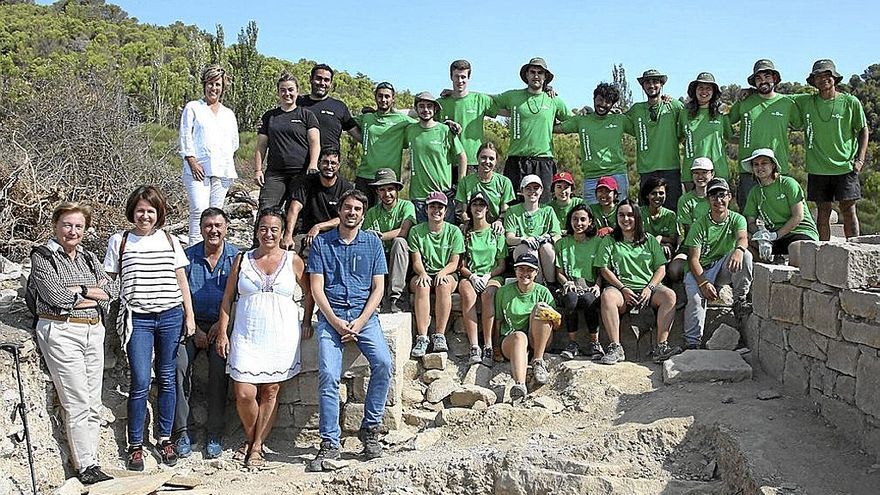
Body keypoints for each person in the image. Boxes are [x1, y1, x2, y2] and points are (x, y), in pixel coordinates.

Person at [104, 186, 196, 471]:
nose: (145, 216)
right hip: (138, 319)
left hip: (170, 315)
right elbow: (109, 280)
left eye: (151, 211)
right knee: (141, 380)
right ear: (133, 211)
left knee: (168, 379)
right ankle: (135, 445)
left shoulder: (170, 240)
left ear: (159, 214)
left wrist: (189, 316)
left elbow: (181, 280)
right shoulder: (120, 240)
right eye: (141, 210)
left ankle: (165, 438)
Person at [214, 208, 313, 467]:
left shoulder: (293, 260)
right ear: (257, 231)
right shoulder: (242, 259)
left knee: (270, 391)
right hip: (247, 333)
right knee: (244, 393)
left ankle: (256, 446)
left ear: (282, 233)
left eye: (274, 229)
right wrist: (223, 332)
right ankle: (251, 436)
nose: (269, 234)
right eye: (264, 228)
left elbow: (310, 292)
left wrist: (305, 321)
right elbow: (227, 298)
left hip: (281, 333)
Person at [307, 189, 393, 470]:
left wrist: (359, 321)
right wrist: (334, 321)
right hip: (331, 317)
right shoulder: (322, 244)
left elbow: (378, 288)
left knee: (383, 363)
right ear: (339, 211)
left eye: (357, 209)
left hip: (363, 316)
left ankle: (370, 429)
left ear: (363, 214)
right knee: (329, 375)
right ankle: (330, 442)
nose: (351, 212)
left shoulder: (372, 243)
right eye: (347, 208)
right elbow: (316, 287)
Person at [31, 203, 117, 484]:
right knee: (77, 400)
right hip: (61, 330)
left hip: (93, 330)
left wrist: (79, 290)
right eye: (67, 225)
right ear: (56, 225)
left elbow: (112, 290)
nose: (73, 231)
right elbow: (55, 296)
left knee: (93, 401)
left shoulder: (89, 257)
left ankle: (92, 460)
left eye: (79, 226)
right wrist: (94, 294)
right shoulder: (43, 256)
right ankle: (86, 466)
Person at [173, 208, 238, 460]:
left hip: (222, 325)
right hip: (190, 324)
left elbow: (236, 297)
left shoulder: (236, 258)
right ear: (200, 229)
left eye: (218, 225)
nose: (214, 230)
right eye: (208, 225)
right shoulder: (187, 258)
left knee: (219, 371)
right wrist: (196, 329)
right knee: (178, 368)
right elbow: (178, 297)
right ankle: (183, 432)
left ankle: (214, 433)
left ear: (226, 228)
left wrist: (219, 328)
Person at [595, 199, 681, 365]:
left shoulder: (648, 240)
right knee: (607, 297)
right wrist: (623, 288)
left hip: (648, 288)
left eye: (630, 215)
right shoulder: (609, 240)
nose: (625, 219)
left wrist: (650, 287)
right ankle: (615, 347)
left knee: (669, 296)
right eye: (621, 215)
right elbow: (603, 268)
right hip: (621, 288)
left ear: (637, 217)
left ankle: (661, 347)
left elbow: (661, 267)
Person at [794, 59, 869, 240]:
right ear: (814, 81)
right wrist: (751, 92)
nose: (823, 79)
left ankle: (855, 249)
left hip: (845, 166)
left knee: (849, 210)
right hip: (818, 168)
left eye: (827, 75)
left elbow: (863, 130)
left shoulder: (850, 102)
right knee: (823, 212)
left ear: (834, 78)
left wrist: (860, 159)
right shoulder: (807, 102)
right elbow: (776, 97)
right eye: (818, 76)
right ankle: (823, 252)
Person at [683, 178, 752, 349]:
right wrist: (703, 282)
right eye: (713, 195)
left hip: (722, 267)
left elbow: (743, 238)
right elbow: (693, 259)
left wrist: (738, 250)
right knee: (696, 299)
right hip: (700, 269)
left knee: (746, 256)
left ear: (730, 197)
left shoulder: (737, 219)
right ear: (708, 199)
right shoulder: (699, 225)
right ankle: (692, 343)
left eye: (722, 195)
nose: (718, 200)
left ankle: (740, 299)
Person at [493, 57, 571, 202]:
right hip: (517, 161)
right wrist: (455, 93)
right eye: (532, 72)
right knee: (513, 204)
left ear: (545, 77)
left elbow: (574, 122)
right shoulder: (513, 96)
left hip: (543, 161)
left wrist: (550, 128)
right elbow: (485, 100)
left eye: (540, 73)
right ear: (527, 75)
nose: (536, 75)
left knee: (544, 205)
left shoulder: (554, 100)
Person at [179, 64, 239, 244]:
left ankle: (213, 253)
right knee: (199, 209)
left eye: (218, 84)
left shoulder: (228, 114)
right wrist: (191, 160)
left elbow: (234, 142)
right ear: (205, 84)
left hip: (222, 171)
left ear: (223, 87)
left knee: (215, 215)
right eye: (211, 83)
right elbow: (185, 135)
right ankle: (194, 251)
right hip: (198, 169)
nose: (214, 88)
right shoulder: (193, 108)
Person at [728, 60, 801, 209]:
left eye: (767, 77)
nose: (763, 81)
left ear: (774, 78)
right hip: (749, 168)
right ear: (754, 82)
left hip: (777, 168)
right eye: (758, 78)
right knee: (748, 214)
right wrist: (738, 139)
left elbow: (800, 124)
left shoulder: (786, 103)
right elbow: (725, 123)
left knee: (779, 214)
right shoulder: (745, 101)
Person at [554, 82, 633, 204]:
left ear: (612, 104)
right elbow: (555, 128)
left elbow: (642, 128)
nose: (602, 104)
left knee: (619, 215)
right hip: (591, 177)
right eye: (600, 100)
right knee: (591, 217)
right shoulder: (582, 120)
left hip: (616, 175)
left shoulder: (620, 119)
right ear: (594, 99)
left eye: (608, 102)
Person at [408, 191, 465, 357]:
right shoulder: (416, 231)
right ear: (426, 209)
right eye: (432, 206)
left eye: (440, 207)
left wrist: (442, 272)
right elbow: (416, 260)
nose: (436, 210)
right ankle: (422, 337)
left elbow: (455, 263)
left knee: (443, 283)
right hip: (423, 272)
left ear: (446, 210)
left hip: (446, 273)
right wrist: (423, 273)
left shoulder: (454, 232)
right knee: (422, 284)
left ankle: (439, 335)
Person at [495, 253, 558, 400]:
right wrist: (495, 346)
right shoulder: (503, 292)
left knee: (541, 308)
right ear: (515, 271)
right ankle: (520, 385)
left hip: (538, 339)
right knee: (519, 336)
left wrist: (551, 316)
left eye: (529, 270)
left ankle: (538, 360)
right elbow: (497, 321)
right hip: (512, 341)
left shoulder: (543, 292)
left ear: (536, 272)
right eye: (521, 269)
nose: (525, 273)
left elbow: (556, 325)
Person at [254, 73, 321, 210]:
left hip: (300, 174)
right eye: (283, 90)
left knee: (296, 215)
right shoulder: (269, 116)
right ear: (278, 92)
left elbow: (315, 142)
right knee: (266, 211)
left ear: (297, 91)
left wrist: (313, 164)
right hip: (275, 174)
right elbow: (261, 146)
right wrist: (258, 170)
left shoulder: (307, 115)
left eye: (290, 89)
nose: (287, 93)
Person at [458, 192, 507, 366]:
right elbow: (461, 265)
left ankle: (488, 345)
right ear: (470, 208)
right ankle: (474, 346)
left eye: (482, 205)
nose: (478, 208)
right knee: (468, 295)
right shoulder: (465, 232)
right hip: (470, 276)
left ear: (487, 208)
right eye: (475, 205)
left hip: (492, 275)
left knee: (488, 295)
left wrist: (488, 275)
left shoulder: (496, 232)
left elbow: (501, 264)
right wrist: (472, 276)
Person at [741, 149, 819, 260]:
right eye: (756, 164)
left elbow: (798, 216)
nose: (760, 167)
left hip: (799, 232)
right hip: (772, 237)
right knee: (741, 241)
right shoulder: (755, 192)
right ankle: (768, 267)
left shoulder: (788, 183)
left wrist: (776, 235)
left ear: (773, 165)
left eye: (764, 163)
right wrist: (762, 237)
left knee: (795, 249)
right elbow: (750, 221)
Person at [626, 69, 685, 209]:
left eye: (655, 81)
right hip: (647, 169)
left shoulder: (674, 105)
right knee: (646, 210)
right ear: (642, 86)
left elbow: (689, 121)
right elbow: (619, 121)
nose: (651, 85)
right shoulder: (636, 109)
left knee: (672, 209)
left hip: (670, 167)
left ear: (661, 84)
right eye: (647, 82)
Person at [405, 91, 467, 223]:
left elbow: (462, 156)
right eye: (421, 106)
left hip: (443, 195)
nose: (425, 110)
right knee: (422, 239)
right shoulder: (410, 130)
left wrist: (459, 186)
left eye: (429, 106)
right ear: (416, 109)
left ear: (435, 109)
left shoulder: (445, 130)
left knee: (445, 238)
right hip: (419, 197)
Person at [362, 168, 417, 313]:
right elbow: (365, 236)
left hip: (402, 258)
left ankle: (397, 297)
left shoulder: (407, 206)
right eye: (382, 189)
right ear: (377, 192)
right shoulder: (372, 212)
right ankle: (372, 295)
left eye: (390, 189)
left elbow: (404, 231)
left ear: (397, 189)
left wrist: (379, 236)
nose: (387, 194)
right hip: (379, 257)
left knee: (399, 242)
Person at [554, 204, 604, 361]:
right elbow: (559, 273)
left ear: (590, 221)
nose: (579, 223)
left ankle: (594, 343)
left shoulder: (597, 242)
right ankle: (572, 343)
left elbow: (601, 270)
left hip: (589, 285)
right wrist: (566, 283)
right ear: (570, 221)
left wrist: (597, 285)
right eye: (575, 219)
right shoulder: (562, 243)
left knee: (590, 300)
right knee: (571, 299)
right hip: (571, 285)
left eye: (583, 219)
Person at [352, 82, 415, 205]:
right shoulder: (367, 117)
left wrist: (447, 124)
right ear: (375, 97)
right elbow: (346, 123)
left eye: (387, 96)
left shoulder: (401, 120)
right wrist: (363, 139)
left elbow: (424, 125)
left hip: (388, 179)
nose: (383, 99)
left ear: (393, 99)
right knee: (360, 217)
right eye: (380, 96)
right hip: (364, 176)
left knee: (385, 219)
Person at [282, 147, 354, 254]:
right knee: (287, 253)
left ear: (338, 166)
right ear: (319, 163)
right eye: (325, 162)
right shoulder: (306, 182)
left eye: (333, 163)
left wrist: (319, 227)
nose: (329, 166)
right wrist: (288, 235)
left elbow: (344, 218)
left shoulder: (346, 188)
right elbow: (294, 208)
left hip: (334, 234)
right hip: (306, 233)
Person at [437, 59, 498, 175]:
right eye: (457, 77)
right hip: (446, 163)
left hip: (473, 163)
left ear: (468, 77)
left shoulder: (480, 100)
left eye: (463, 77)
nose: (460, 80)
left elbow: (507, 110)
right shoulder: (441, 103)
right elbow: (418, 112)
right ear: (451, 77)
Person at [504, 175, 561, 284]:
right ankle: (536, 284)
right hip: (522, 249)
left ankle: (551, 285)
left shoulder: (548, 210)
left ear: (541, 190)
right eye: (528, 188)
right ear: (522, 191)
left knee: (547, 248)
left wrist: (548, 238)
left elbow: (557, 235)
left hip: (543, 249)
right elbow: (509, 238)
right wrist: (523, 239)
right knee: (528, 249)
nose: (532, 192)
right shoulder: (512, 211)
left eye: (536, 188)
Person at [678, 72, 732, 185]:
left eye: (708, 88)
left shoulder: (721, 113)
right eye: (700, 88)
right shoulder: (684, 113)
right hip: (692, 172)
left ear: (713, 92)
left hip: (718, 170)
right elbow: (681, 139)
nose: (704, 91)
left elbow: (730, 137)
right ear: (695, 91)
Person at [296, 63, 361, 151]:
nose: (322, 83)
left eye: (326, 80)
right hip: (300, 162)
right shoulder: (297, 103)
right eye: (318, 78)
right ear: (310, 79)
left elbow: (358, 135)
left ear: (330, 83)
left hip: (328, 163)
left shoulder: (339, 107)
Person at [670, 158, 715, 281]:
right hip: (692, 245)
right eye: (696, 173)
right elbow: (688, 229)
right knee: (674, 270)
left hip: (717, 244)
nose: (700, 177)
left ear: (712, 174)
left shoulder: (717, 197)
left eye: (704, 173)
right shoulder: (685, 200)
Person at [454, 142, 515, 227]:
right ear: (477, 158)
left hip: (495, 226)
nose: (487, 161)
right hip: (472, 225)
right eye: (483, 157)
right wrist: (468, 223)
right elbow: (462, 212)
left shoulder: (505, 182)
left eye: (491, 159)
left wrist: (499, 221)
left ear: (496, 161)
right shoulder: (465, 182)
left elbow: (505, 210)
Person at [639, 177, 679, 261]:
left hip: (664, 247)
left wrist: (660, 238)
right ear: (647, 195)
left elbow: (674, 239)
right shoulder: (639, 213)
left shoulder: (670, 215)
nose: (658, 197)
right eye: (654, 193)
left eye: (661, 193)